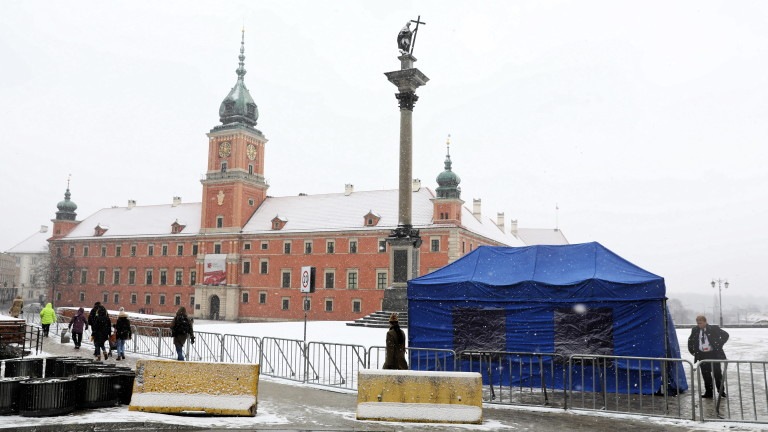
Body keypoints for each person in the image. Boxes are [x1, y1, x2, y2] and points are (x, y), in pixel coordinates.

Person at [688, 315, 729, 398]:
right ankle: (709, 392)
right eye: (698, 323)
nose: (699, 325)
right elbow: (690, 340)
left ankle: (721, 391)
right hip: (702, 355)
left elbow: (726, 335)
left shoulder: (713, 328)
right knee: (706, 375)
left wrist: (718, 344)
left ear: (705, 322)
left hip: (713, 354)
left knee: (717, 374)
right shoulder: (695, 329)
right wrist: (693, 351)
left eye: (701, 323)